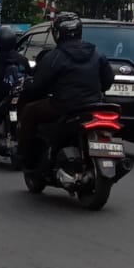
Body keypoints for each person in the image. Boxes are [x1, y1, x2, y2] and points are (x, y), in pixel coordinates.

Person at [17, 12, 115, 168]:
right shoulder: (97, 54)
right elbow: (108, 80)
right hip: (93, 106)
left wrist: (28, 86)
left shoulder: (55, 56)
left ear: (57, 33)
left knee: (29, 111)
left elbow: (38, 85)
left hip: (63, 106)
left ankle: (25, 158)